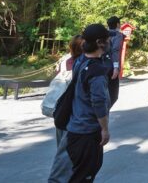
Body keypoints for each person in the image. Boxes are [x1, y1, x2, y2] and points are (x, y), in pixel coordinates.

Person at [48, 24, 111, 183]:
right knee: (81, 175)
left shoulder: (80, 61)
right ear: (99, 42)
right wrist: (104, 129)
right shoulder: (96, 72)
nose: (110, 42)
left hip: (72, 125)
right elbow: (98, 102)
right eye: (108, 40)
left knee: (62, 174)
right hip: (86, 132)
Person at [52, 35, 84, 146]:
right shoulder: (85, 63)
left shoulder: (65, 62)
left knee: (61, 144)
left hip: (61, 107)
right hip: (77, 110)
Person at [105, 16, 124, 107]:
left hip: (101, 65)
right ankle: (103, 114)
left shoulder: (104, 34)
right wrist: (116, 67)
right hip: (111, 66)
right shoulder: (118, 35)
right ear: (117, 24)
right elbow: (115, 51)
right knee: (113, 95)